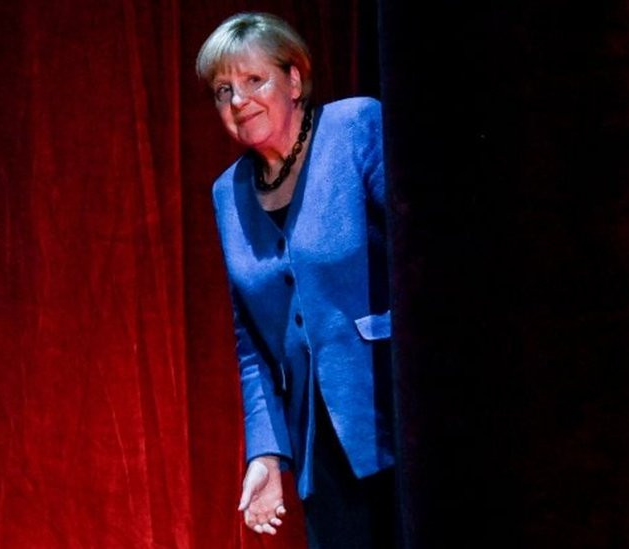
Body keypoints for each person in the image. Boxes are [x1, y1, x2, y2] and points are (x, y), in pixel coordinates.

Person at [196, 12, 397, 548]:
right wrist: (266, 452)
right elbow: (252, 344)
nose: (237, 101)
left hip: (395, 412)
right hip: (320, 445)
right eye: (223, 90)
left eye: (253, 80)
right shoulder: (227, 193)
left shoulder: (355, 128)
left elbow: (421, 264)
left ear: (294, 80)